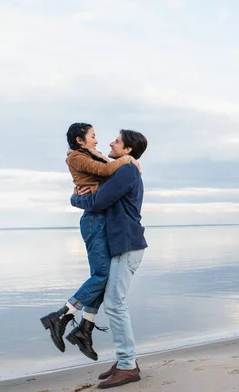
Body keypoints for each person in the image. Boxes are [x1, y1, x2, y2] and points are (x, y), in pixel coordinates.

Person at [40, 123, 140, 362]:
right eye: (93, 136)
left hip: (101, 222)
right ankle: (63, 316)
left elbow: (105, 172)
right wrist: (128, 160)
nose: (100, 141)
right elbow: (105, 175)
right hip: (94, 221)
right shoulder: (77, 157)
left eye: (111, 140)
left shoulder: (92, 156)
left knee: (102, 277)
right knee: (101, 276)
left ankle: (83, 326)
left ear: (127, 148)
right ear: (79, 140)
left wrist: (127, 161)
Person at [71, 129, 148, 389]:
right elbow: (98, 191)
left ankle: (127, 366)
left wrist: (76, 198)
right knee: (114, 302)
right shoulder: (122, 170)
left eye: (117, 141)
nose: (110, 143)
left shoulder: (126, 171)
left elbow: (98, 202)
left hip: (127, 245)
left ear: (128, 150)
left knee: (115, 304)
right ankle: (125, 360)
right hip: (122, 245)